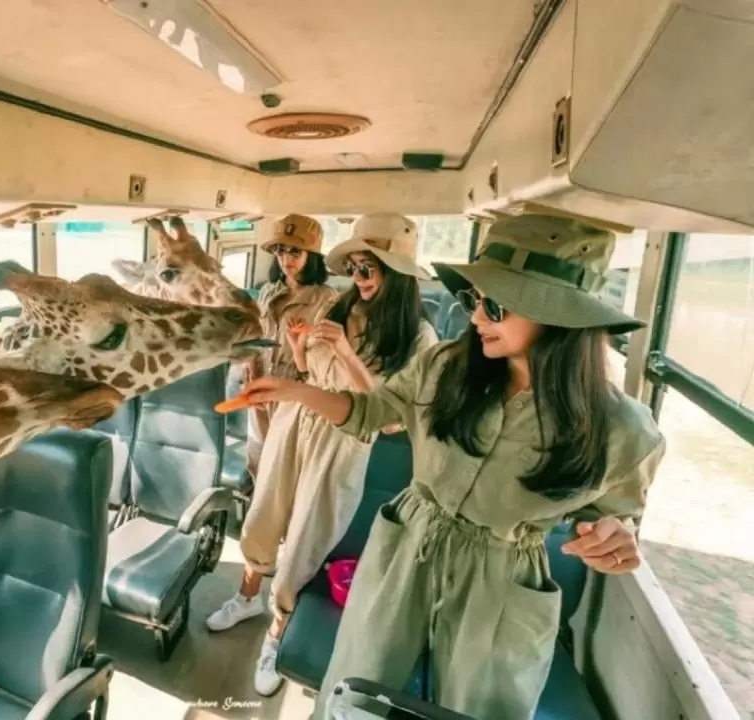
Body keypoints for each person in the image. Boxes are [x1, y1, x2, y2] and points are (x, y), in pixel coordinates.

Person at [241, 214, 666, 720]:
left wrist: (614, 536)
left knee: (481, 709)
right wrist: (292, 389)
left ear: (560, 316)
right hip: (407, 544)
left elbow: (612, 516)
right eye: (471, 300)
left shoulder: (624, 431)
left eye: (495, 305)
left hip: (503, 573)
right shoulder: (445, 367)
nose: (476, 318)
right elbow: (371, 412)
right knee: (355, 690)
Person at [207, 213, 439, 697]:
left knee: (309, 536)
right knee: (264, 515)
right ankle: (248, 594)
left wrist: (350, 357)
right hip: (297, 418)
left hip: (345, 438)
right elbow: (312, 371)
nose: (360, 279)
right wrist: (299, 345)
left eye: (370, 269)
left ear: (397, 273)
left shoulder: (418, 338)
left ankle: (277, 632)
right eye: (354, 268)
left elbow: (393, 420)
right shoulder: (339, 309)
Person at [245, 214, 339, 477]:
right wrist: (252, 368)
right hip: (261, 381)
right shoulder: (267, 291)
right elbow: (256, 334)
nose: (286, 260)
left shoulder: (326, 299)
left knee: (285, 467)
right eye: (280, 251)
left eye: (295, 252)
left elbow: (323, 359)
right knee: (257, 460)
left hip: (296, 387)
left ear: (312, 255)